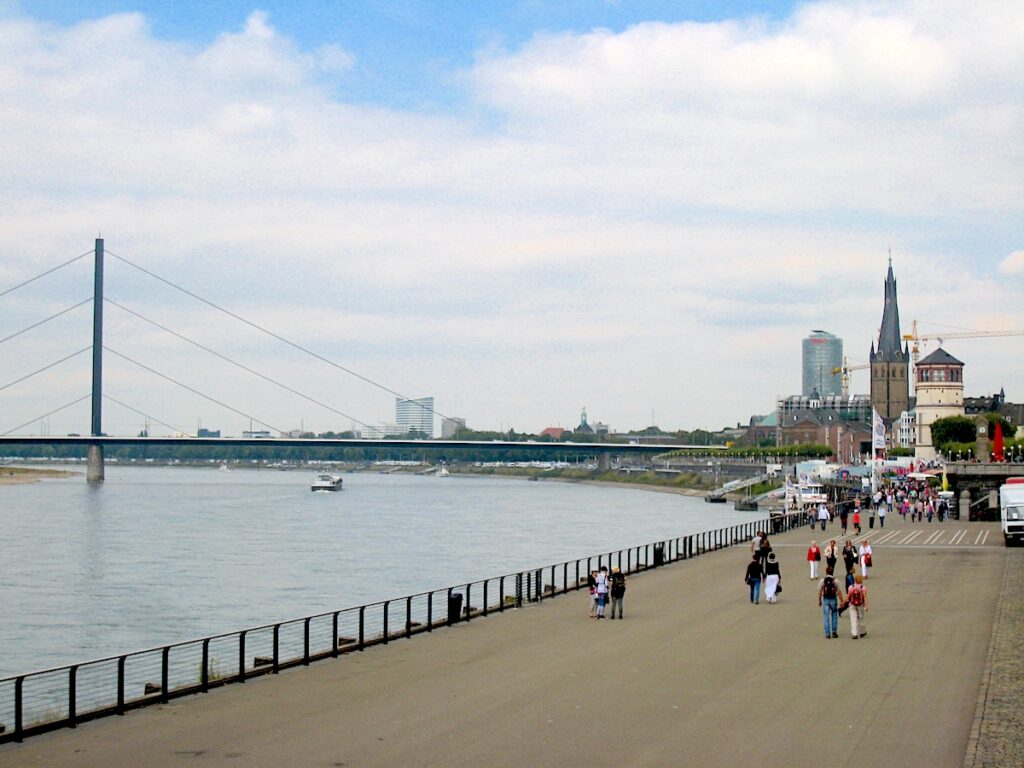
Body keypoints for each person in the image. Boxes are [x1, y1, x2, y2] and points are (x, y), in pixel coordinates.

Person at [818, 565, 844, 639]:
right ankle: (834, 632)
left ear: (826, 572)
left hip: (826, 599)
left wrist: (819, 600)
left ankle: (827, 633)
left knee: (826, 616)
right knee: (834, 614)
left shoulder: (823, 580)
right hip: (833, 599)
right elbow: (839, 592)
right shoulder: (836, 581)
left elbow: (820, 592)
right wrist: (842, 601)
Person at [846, 574, 868, 638]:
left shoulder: (851, 587)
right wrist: (866, 606)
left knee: (853, 619)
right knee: (861, 618)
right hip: (860, 604)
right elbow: (865, 597)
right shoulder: (863, 587)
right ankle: (862, 632)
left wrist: (843, 602)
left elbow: (848, 596)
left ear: (855, 580)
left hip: (852, 604)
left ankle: (854, 633)